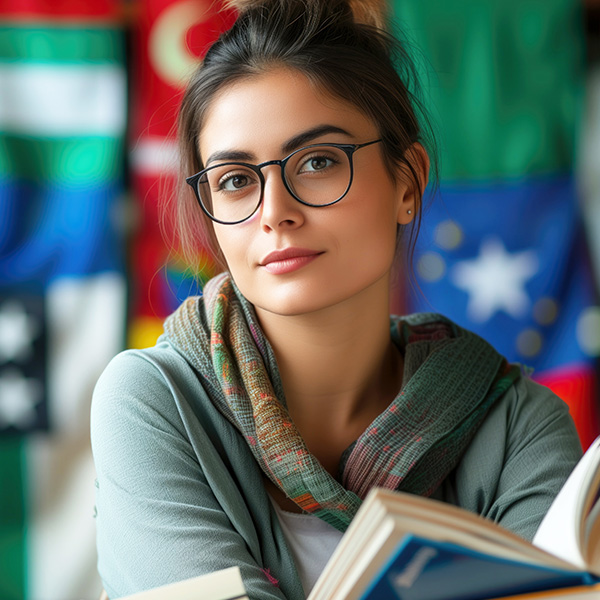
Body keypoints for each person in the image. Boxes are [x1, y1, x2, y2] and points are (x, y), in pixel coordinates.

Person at [90, 1, 583, 598]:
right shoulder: (154, 402)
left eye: (318, 162)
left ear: (407, 181)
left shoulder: (519, 426)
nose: (275, 213)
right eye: (236, 180)